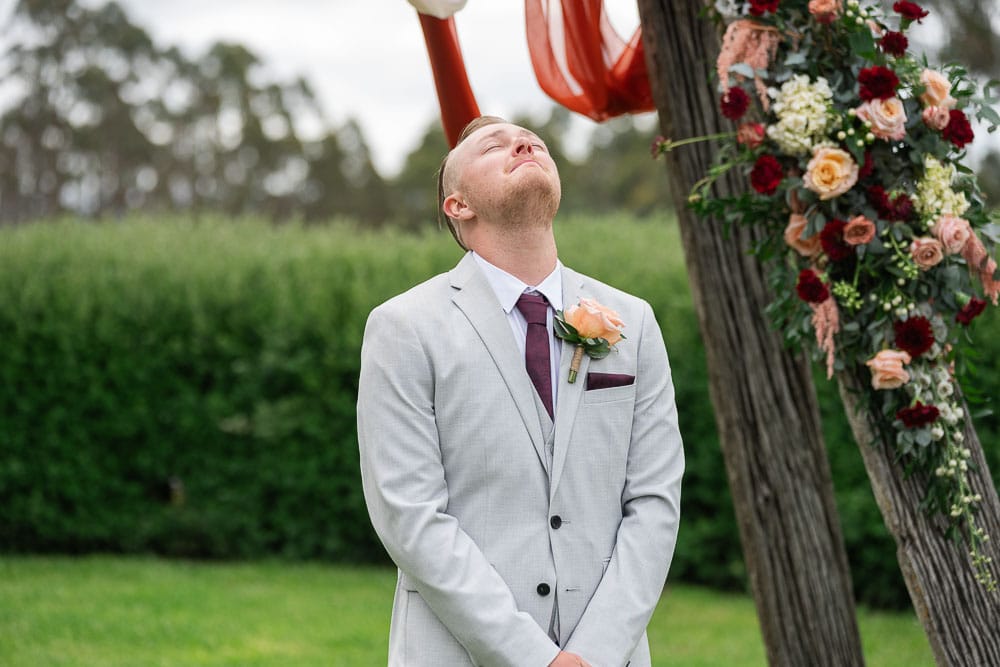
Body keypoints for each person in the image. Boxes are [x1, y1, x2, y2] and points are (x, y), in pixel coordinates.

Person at [357, 116, 684, 667]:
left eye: (533, 141)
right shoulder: (404, 326)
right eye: (495, 146)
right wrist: (534, 658)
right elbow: (409, 515)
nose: (524, 143)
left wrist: (594, 655)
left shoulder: (635, 321)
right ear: (457, 205)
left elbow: (654, 502)